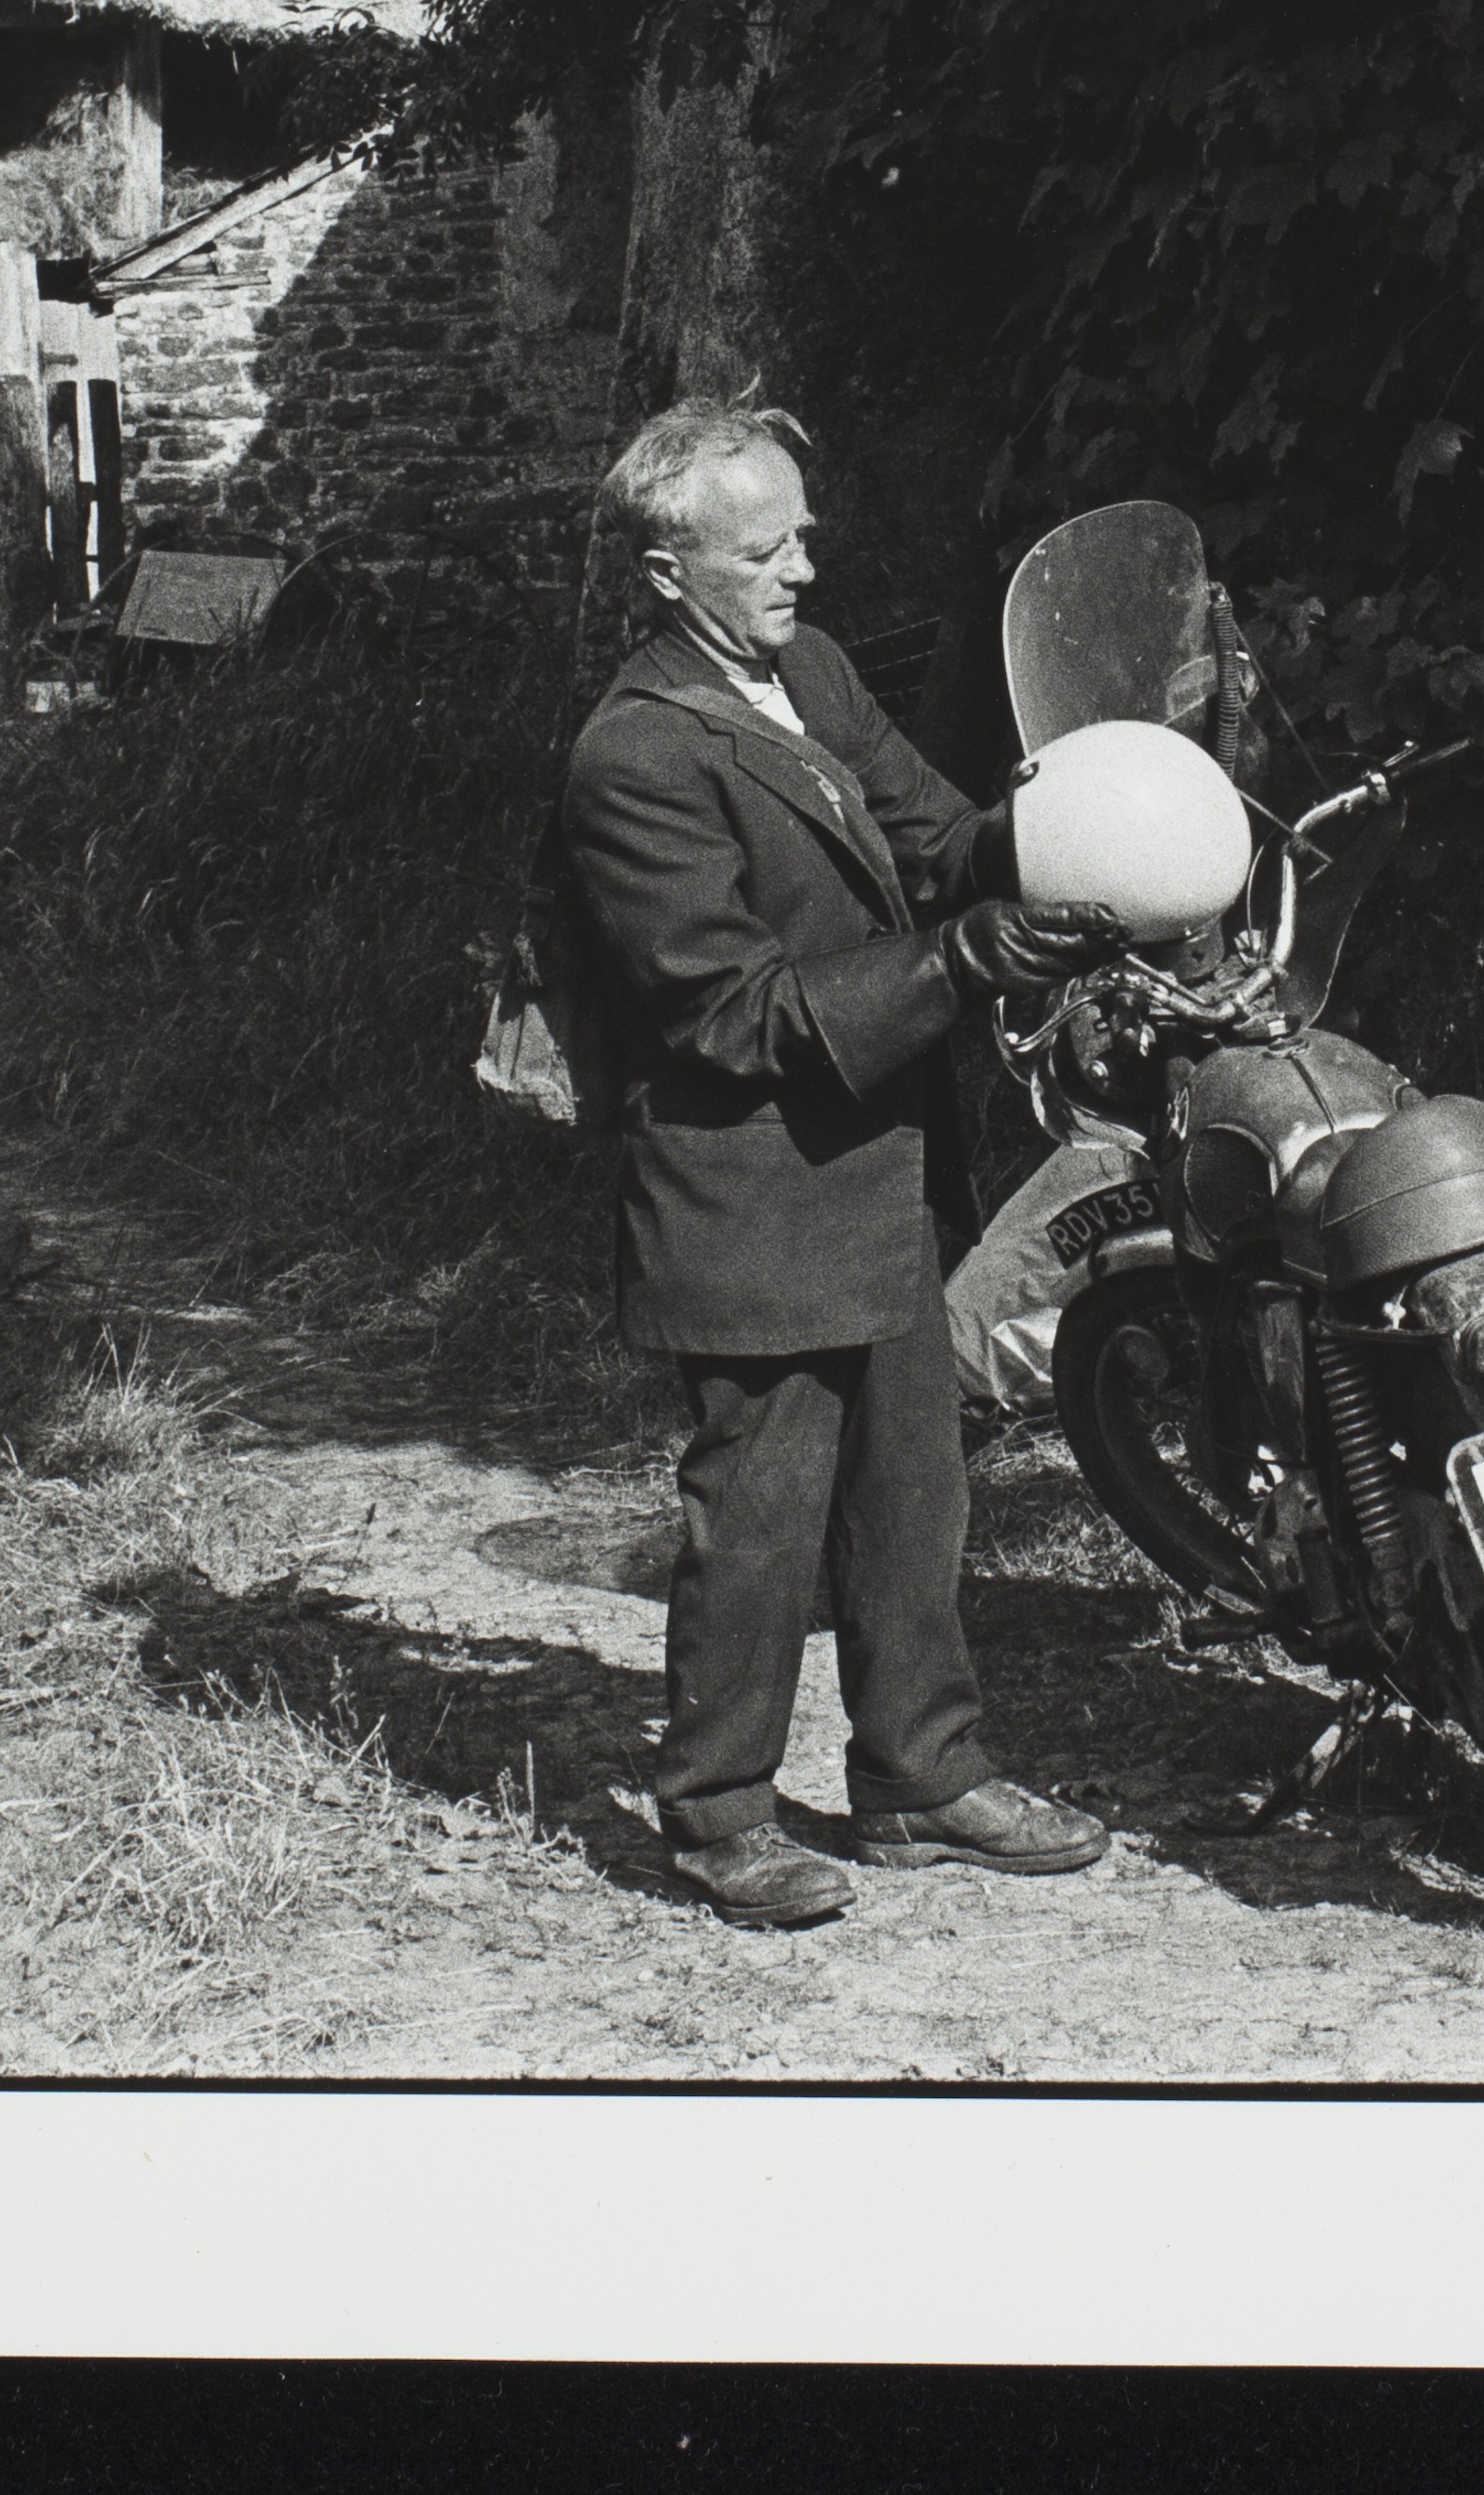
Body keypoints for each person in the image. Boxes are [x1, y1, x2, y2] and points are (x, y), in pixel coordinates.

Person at [556, 399, 1123, 1926]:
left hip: (874, 1163)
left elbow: (937, 835)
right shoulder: (637, 754)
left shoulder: (804, 671)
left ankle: (922, 1782)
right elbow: (730, 1013)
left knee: (912, 1494)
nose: (805, 566)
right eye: (765, 550)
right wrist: (961, 963)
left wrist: (1090, 834)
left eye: (803, 531)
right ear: (672, 574)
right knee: (760, 1519)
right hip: (747, 1186)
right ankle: (717, 1813)